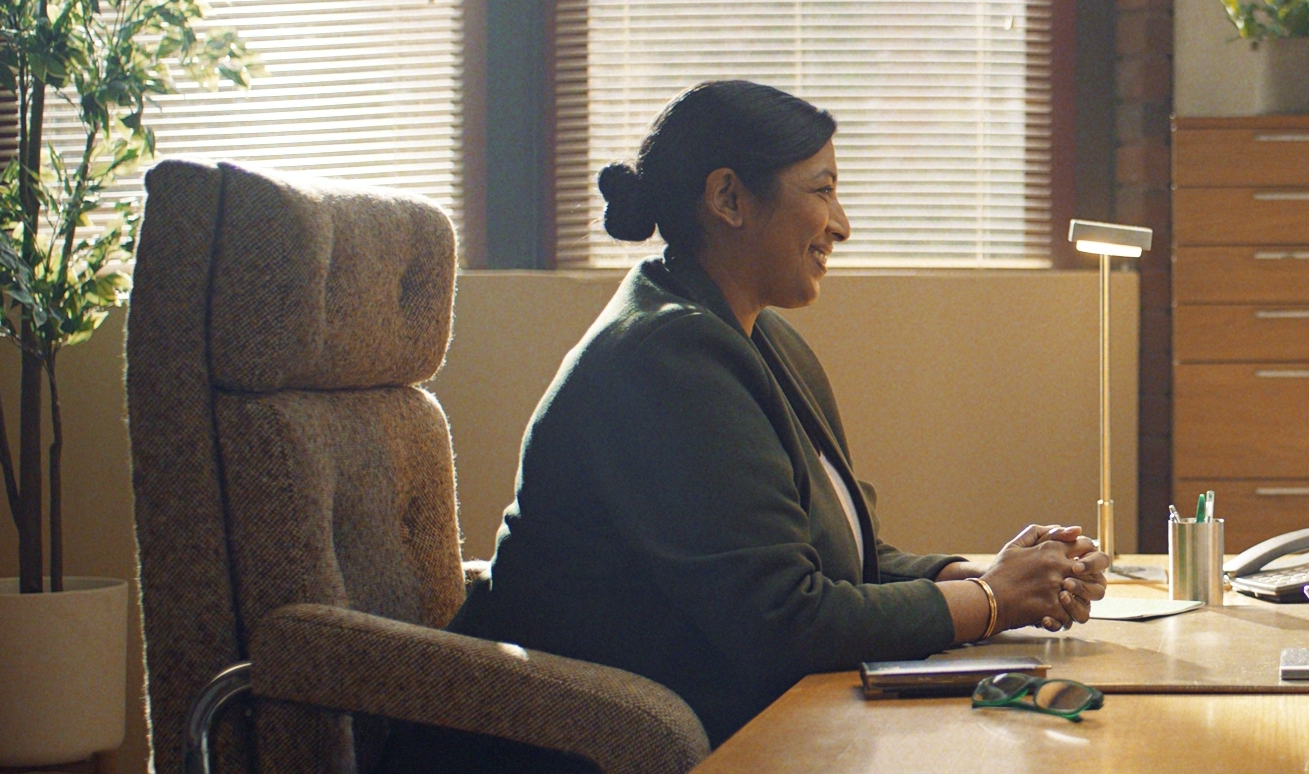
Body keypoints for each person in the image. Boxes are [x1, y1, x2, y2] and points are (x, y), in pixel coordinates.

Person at [390, 81, 1111, 771]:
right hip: (576, 744)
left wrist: (996, 574)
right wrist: (991, 603)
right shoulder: (664, 357)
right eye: (822, 190)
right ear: (729, 198)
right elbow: (785, 621)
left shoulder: (754, 338)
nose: (842, 223)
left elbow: (823, 562)